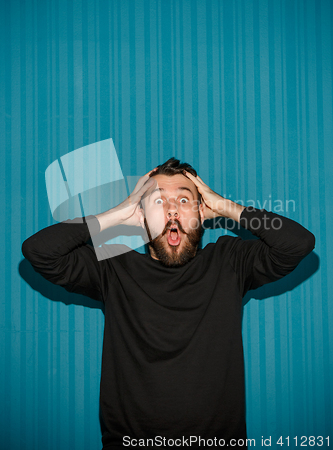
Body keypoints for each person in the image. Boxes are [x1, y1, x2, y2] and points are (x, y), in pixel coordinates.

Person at [21, 158, 315, 450]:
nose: (172, 210)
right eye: (159, 201)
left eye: (184, 200)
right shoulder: (112, 268)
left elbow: (298, 243)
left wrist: (227, 207)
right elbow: (39, 252)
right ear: (142, 216)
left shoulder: (230, 262)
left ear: (202, 212)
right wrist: (118, 213)